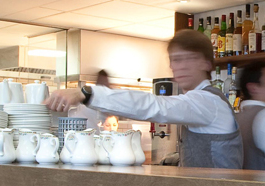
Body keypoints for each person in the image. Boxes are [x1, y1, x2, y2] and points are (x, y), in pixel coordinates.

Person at [46, 30, 242, 169]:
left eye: (189, 58)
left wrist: (87, 94)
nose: (180, 66)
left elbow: (154, 106)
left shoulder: (208, 101)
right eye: (175, 59)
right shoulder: (198, 100)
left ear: (206, 63)